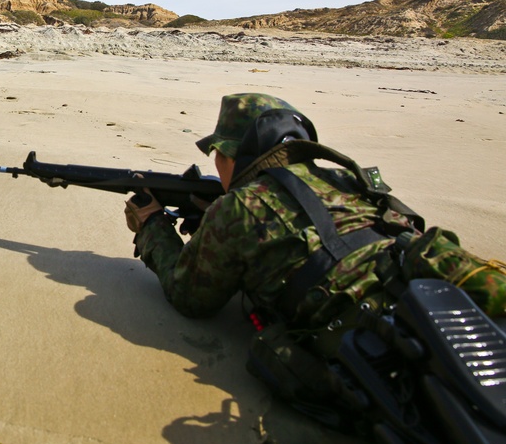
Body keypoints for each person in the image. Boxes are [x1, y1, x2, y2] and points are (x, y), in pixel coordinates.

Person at [124, 93, 506, 416]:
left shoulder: (238, 206)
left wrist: (153, 225)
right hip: (422, 287)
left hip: (370, 340)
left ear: (238, 156)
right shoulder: (346, 180)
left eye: (219, 153)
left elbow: (189, 296)